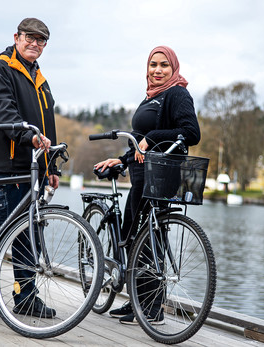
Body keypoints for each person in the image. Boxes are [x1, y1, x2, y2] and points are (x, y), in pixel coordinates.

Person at [94, 46, 200, 325]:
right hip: (141, 173)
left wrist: (153, 136)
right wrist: (120, 159)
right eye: (153, 64)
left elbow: (191, 133)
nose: (158, 70)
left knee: (150, 239)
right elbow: (138, 141)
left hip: (162, 175)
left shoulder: (177, 93)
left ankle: (152, 309)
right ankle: (138, 302)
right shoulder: (150, 97)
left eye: (164, 65)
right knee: (135, 237)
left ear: (173, 68)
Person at [0, 18, 59, 319]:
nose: (35, 44)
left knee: (28, 235)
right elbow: (3, 111)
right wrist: (29, 136)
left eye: (41, 40)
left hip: (31, 169)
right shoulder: (0, 70)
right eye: (30, 38)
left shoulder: (41, 81)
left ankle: (26, 298)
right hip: (4, 166)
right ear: (16, 38)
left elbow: (48, 127)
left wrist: (52, 166)